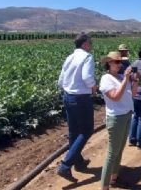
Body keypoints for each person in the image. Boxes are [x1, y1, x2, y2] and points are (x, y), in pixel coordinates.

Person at [56, 33, 97, 183]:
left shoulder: (70, 57)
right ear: (85, 44)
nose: (91, 45)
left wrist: (68, 89)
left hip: (68, 96)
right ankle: (65, 166)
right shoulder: (87, 57)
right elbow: (87, 77)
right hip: (80, 99)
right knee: (87, 130)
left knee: (74, 132)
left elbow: (61, 80)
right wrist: (93, 87)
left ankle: (78, 163)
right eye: (90, 42)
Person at [99, 51, 138, 189]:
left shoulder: (121, 76)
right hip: (116, 118)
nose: (119, 64)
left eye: (120, 62)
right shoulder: (106, 79)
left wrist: (135, 81)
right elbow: (115, 96)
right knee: (111, 153)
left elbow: (132, 94)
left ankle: (114, 179)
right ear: (108, 63)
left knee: (119, 150)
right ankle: (104, 186)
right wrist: (125, 80)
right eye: (116, 62)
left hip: (127, 115)